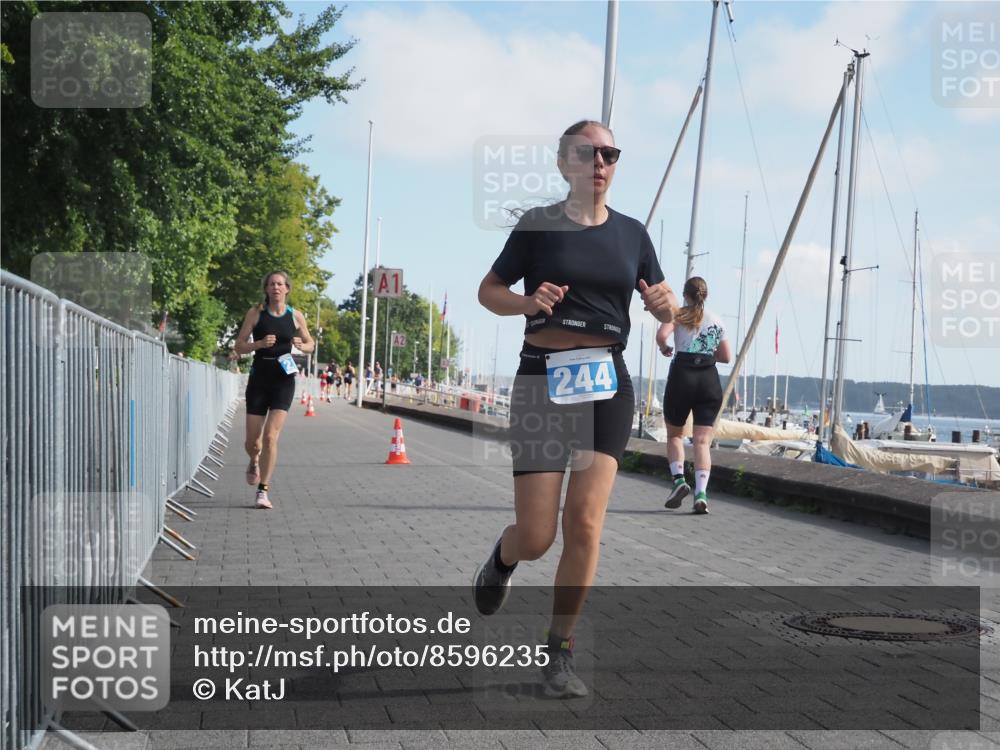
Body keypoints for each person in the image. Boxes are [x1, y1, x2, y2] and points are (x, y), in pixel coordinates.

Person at [472, 120, 676, 698]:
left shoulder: (634, 234)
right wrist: (526, 302)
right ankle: (504, 558)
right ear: (566, 163)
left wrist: (668, 309)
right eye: (589, 153)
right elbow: (487, 292)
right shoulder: (537, 225)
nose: (601, 162)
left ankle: (557, 653)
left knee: (584, 521)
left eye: (610, 153)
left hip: (606, 384)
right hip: (541, 381)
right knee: (537, 536)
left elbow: (668, 313)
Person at [234, 271, 314, 509]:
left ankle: (263, 490)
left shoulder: (295, 316)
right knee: (253, 442)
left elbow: (311, 344)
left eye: (280, 284)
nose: (276, 288)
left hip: (284, 380)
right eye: (271, 284)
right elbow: (239, 345)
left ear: (287, 289)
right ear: (266, 289)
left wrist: (302, 345)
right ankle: (254, 460)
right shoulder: (256, 313)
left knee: (270, 437)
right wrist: (258, 344)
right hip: (259, 378)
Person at [656, 276, 732, 515]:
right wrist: (706, 352)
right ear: (705, 295)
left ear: (685, 294)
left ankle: (679, 481)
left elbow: (661, 336)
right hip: (708, 380)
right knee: (702, 442)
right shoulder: (717, 321)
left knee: (675, 435)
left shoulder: (678, 314)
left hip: (682, 377)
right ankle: (701, 494)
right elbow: (726, 357)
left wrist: (665, 348)